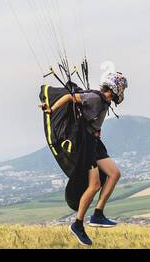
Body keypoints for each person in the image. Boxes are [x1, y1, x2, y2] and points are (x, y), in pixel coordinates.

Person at [43, 71, 127, 246]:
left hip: (94, 143)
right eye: (121, 89)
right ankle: (78, 224)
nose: (122, 93)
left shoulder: (103, 101)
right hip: (86, 144)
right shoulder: (95, 98)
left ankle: (98, 214)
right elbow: (69, 98)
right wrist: (51, 110)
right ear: (114, 88)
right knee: (95, 184)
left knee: (114, 174)